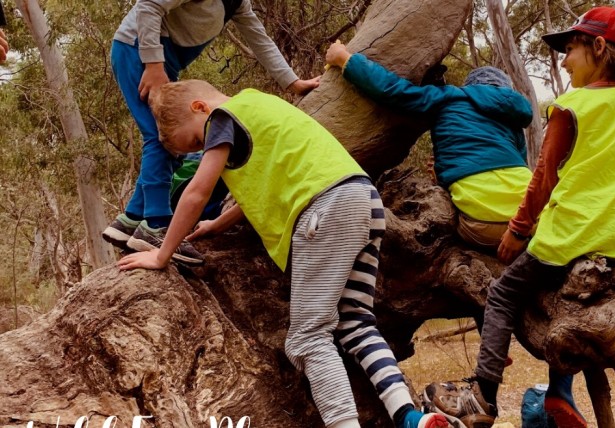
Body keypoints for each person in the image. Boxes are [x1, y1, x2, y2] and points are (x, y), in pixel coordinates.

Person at [116, 79, 455, 428]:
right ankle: (409, 416)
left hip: (324, 208)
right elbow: (271, 177)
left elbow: (196, 193)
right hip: (361, 199)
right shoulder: (259, 104)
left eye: (198, 142)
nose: (205, 149)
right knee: (356, 321)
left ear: (199, 107)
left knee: (308, 338)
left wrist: (162, 255)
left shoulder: (222, 118)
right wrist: (218, 223)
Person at [430, 6, 615, 428]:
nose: (564, 60)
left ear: (598, 46)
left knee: (505, 293)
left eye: (571, 49)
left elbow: (542, 178)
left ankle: (483, 397)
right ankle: (562, 391)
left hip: (570, 237)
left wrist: (518, 230)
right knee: (567, 303)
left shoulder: (570, 105)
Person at [102, 0, 320, 263]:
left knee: (171, 147)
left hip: (161, 60)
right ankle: (156, 226)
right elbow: (149, 5)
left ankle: (132, 219)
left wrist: (293, 82)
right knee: (160, 140)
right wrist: (153, 64)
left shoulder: (236, 4)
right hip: (137, 51)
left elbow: (259, 40)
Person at [325, 41, 533, 252]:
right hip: (535, 220)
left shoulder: (452, 97)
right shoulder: (513, 119)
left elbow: (394, 90)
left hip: (483, 226)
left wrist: (345, 59)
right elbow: (522, 163)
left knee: (441, 219)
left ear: (471, 86)